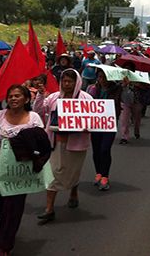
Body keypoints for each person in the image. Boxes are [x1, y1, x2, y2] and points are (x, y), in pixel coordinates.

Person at [0, 85, 46, 256]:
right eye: (10, 96)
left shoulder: (33, 118)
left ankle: (4, 246)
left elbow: (41, 142)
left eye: (17, 96)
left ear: (26, 99)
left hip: (20, 171)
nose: (13, 99)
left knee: (13, 207)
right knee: (1, 206)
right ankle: (6, 224)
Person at [33, 69, 92, 224]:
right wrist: (40, 95)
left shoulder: (86, 99)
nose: (66, 84)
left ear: (77, 82)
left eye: (70, 81)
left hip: (75, 144)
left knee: (73, 172)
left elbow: (94, 121)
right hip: (54, 142)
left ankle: (74, 192)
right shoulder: (53, 97)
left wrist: (87, 127)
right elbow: (39, 111)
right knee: (51, 175)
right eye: (64, 81)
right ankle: (49, 209)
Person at [86, 70, 121, 191]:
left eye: (105, 77)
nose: (103, 80)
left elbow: (127, 100)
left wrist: (127, 88)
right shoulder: (92, 89)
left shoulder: (118, 89)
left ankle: (105, 175)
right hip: (95, 123)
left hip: (109, 123)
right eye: (100, 77)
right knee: (96, 150)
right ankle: (99, 173)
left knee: (105, 149)